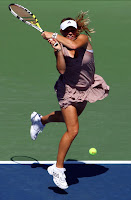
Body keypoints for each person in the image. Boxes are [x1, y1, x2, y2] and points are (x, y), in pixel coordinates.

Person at [30, 11, 110, 190]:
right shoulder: (61, 44)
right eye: (67, 30)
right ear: (62, 30)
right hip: (67, 90)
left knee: (68, 119)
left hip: (86, 88)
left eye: (73, 29)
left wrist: (53, 35)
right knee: (73, 129)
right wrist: (58, 51)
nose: (71, 32)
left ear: (77, 29)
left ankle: (41, 120)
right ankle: (58, 168)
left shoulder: (82, 39)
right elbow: (61, 70)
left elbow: (73, 44)